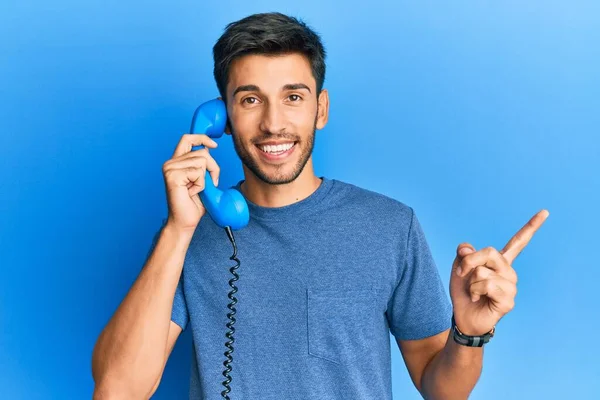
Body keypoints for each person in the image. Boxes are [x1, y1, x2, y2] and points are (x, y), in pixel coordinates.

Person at [91, 12, 548, 400]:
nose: (273, 123)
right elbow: (117, 389)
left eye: (293, 97)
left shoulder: (390, 226)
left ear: (320, 109)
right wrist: (178, 229)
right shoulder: (189, 235)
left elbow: (441, 388)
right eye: (250, 100)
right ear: (222, 118)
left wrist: (468, 333)